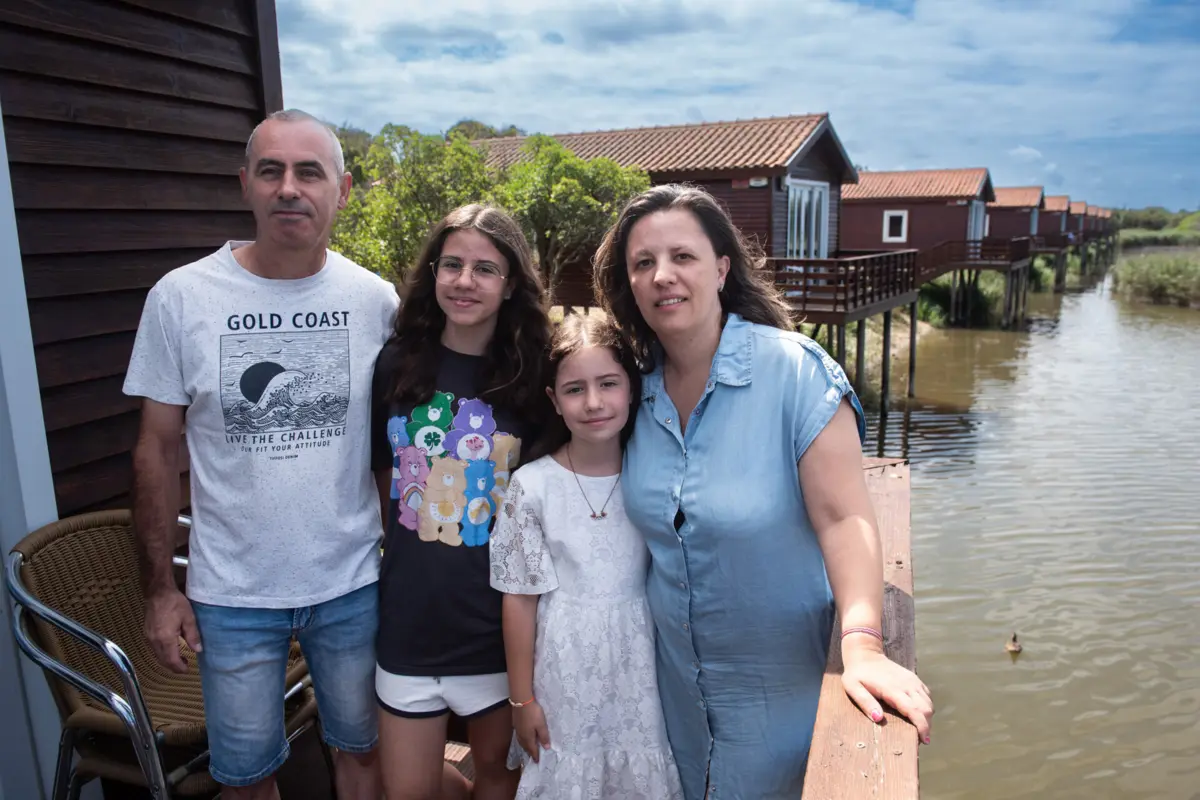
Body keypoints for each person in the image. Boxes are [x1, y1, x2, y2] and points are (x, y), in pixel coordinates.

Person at [592, 184, 934, 800]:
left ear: (722, 267)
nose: (662, 275)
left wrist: (862, 645)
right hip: (672, 706)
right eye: (643, 262)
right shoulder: (629, 393)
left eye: (683, 257)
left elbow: (844, 516)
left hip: (787, 702)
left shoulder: (796, 373)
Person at [124, 109, 398, 800]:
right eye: (271, 171)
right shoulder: (181, 299)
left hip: (353, 582)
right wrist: (161, 591)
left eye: (310, 172)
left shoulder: (375, 301)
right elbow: (154, 452)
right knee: (247, 781)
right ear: (245, 184)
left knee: (364, 755)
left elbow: (394, 448)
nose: (289, 188)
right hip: (231, 595)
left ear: (343, 189)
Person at [370, 204, 553, 800]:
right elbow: (384, 477)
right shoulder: (397, 363)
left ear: (510, 285)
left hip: (497, 630)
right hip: (409, 623)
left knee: (499, 785)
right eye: (452, 264)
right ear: (433, 273)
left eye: (484, 268)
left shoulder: (532, 378)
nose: (465, 281)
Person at [489, 313, 685, 799]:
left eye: (608, 384)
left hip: (645, 663)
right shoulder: (531, 487)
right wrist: (522, 700)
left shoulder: (658, 473)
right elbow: (518, 599)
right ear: (554, 401)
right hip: (563, 670)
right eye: (575, 389)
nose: (594, 402)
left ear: (632, 389)